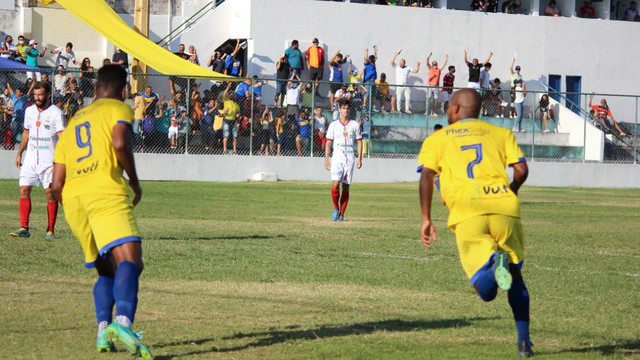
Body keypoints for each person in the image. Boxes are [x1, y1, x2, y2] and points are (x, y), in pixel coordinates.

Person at [417, 88, 532, 358]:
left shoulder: (438, 139)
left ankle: (495, 264)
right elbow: (522, 170)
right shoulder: (501, 133)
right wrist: (511, 190)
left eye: (448, 107)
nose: (447, 112)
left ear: (456, 108)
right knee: (515, 278)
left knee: (486, 291)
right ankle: (524, 342)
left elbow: (426, 177)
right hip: (505, 206)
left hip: (469, 210)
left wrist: (425, 218)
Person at [51, 65, 152, 359]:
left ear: (94, 91)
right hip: (104, 192)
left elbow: (56, 182)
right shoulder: (119, 108)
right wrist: (134, 182)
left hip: (73, 200)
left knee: (106, 268)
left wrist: (73, 202)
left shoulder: (73, 122)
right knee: (131, 261)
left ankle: (102, 332)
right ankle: (123, 323)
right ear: (123, 91)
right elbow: (120, 142)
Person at [10, 81, 64, 239]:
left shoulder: (56, 113)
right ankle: (24, 227)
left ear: (48, 95)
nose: (37, 97)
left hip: (50, 161)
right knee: (24, 189)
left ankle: (50, 230)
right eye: (35, 94)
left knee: (50, 194)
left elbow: (62, 137)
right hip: (31, 159)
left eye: (40, 95)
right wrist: (20, 153)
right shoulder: (29, 111)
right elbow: (26, 132)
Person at [324, 98, 363, 222]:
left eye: (347, 108)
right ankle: (335, 208)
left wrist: (359, 158)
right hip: (337, 159)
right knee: (335, 184)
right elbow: (328, 142)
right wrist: (326, 159)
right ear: (339, 109)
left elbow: (359, 142)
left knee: (345, 187)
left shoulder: (355, 125)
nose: (345, 110)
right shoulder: (333, 125)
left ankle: (342, 214)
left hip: (350, 159)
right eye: (343, 108)